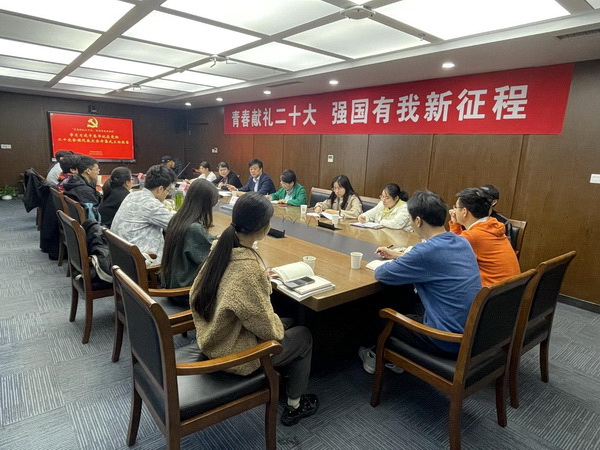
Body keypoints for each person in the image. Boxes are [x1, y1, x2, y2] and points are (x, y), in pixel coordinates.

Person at [189, 192, 318, 426]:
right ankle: (295, 405)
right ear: (264, 227)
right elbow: (270, 330)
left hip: (211, 334)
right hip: (234, 354)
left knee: (286, 319)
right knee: (303, 335)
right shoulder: (248, 269)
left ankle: (286, 376)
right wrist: (274, 317)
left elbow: (198, 293)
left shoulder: (220, 248)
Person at [358, 190, 482, 373]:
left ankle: (375, 354)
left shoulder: (426, 251)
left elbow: (383, 274)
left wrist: (402, 261)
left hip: (446, 339)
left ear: (418, 220)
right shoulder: (462, 242)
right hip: (473, 332)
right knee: (406, 302)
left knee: (381, 315)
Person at [160, 179, 219, 306]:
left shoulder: (178, 218)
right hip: (185, 292)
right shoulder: (194, 228)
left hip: (173, 283)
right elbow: (212, 256)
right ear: (205, 204)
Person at [449, 187, 520, 286]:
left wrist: (455, 225)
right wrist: (456, 224)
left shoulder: (473, 236)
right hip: (509, 290)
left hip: (489, 292)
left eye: (456, 207)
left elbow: (449, 253)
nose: (454, 211)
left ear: (464, 211)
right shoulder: (492, 225)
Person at [111, 164, 176, 263]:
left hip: (122, 259)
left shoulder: (132, 195)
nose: (167, 194)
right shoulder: (151, 204)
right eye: (168, 190)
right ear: (160, 189)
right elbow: (178, 225)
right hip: (142, 263)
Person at [62, 155, 101, 220]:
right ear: (88, 171)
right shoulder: (85, 191)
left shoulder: (73, 182)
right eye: (97, 169)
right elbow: (93, 215)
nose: (98, 172)